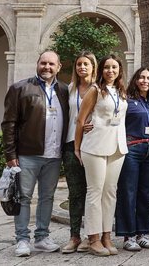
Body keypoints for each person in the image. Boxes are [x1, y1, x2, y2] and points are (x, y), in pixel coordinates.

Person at [1, 51, 69, 257]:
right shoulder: (20, 88)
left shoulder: (65, 90)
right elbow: (8, 124)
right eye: (43, 63)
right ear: (37, 64)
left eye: (51, 64)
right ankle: (22, 239)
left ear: (59, 67)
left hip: (54, 155)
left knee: (47, 197)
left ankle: (42, 237)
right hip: (27, 154)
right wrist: (10, 155)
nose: (46, 67)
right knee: (23, 197)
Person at [75, 54, 128, 256]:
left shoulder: (121, 92)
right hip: (95, 146)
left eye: (114, 67)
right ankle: (94, 238)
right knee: (94, 192)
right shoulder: (94, 90)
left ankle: (107, 236)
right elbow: (80, 120)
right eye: (107, 67)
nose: (110, 71)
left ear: (119, 70)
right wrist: (77, 148)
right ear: (101, 70)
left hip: (117, 147)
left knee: (110, 192)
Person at [115, 67, 149, 251]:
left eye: (148, 78)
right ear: (135, 80)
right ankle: (128, 236)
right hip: (132, 149)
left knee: (146, 192)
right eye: (141, 77)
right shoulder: (126, 100)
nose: (145, 81)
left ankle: (142, 234)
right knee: (128, 192)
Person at [62, 52, 96, 254]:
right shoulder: (69, 89)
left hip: (93, 145)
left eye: (86, 64)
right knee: (75, 193)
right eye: (79, 64)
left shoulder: (99, 89)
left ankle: (91, 236)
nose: (82, 67)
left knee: (93, 192)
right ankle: (75, 236)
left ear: (93, 67)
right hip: (71, 144)